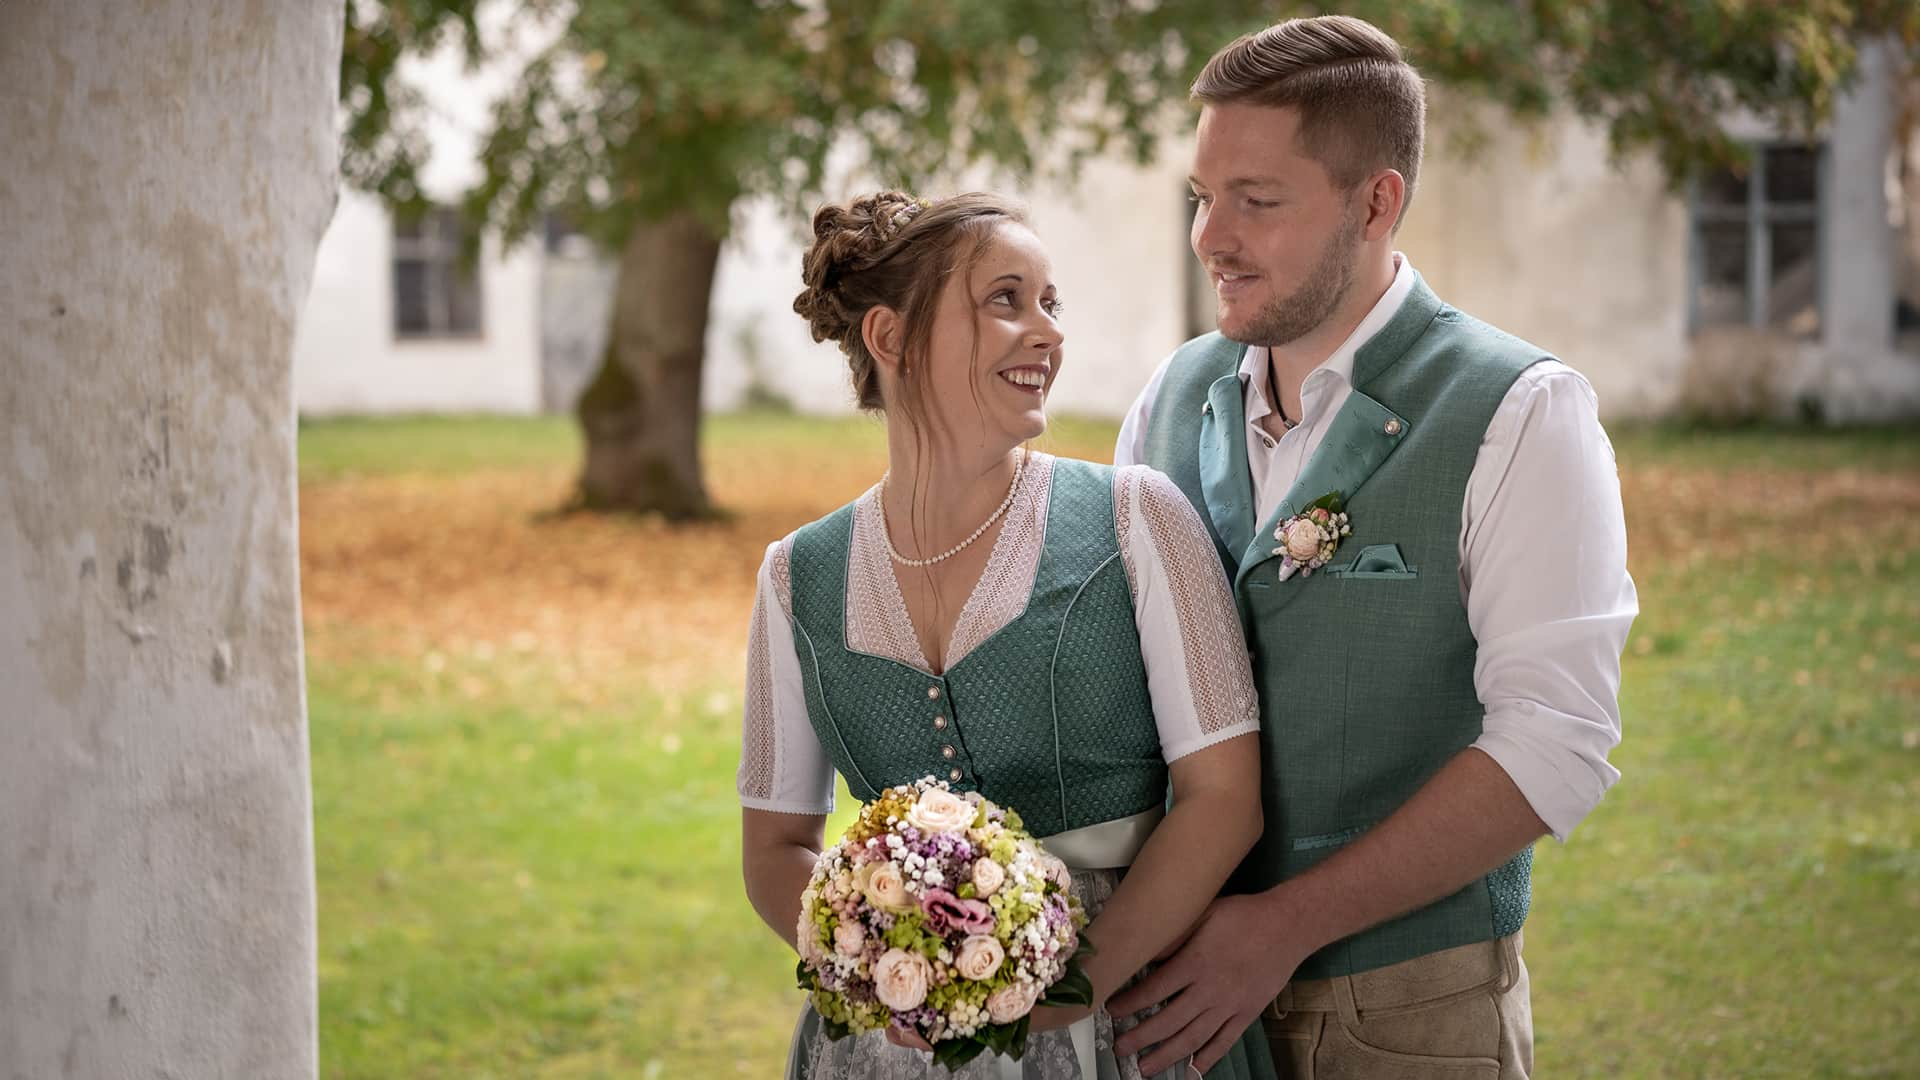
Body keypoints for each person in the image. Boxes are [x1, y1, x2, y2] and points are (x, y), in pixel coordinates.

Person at [1106, 15, 1638, 1079]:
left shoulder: (1521, 411)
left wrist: (1283, 926)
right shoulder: (1168, 400)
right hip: (1172, 1016)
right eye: (1204, 197)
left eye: (1257, 202)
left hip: (1410, 1015)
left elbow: (1556, 743)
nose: (1210, 237)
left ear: (1377, 201)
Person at [737, 190, 1279, 1080]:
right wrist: (880, 966)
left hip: (1129, 1024)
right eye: (1005, 300)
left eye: (1050, 304)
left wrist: (1068, 989)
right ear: (890, 338)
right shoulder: (797, 576)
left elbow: (1224, 799)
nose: (1048, 333)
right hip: (887, 1051)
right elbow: (774, 845)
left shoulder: (1137, 521)